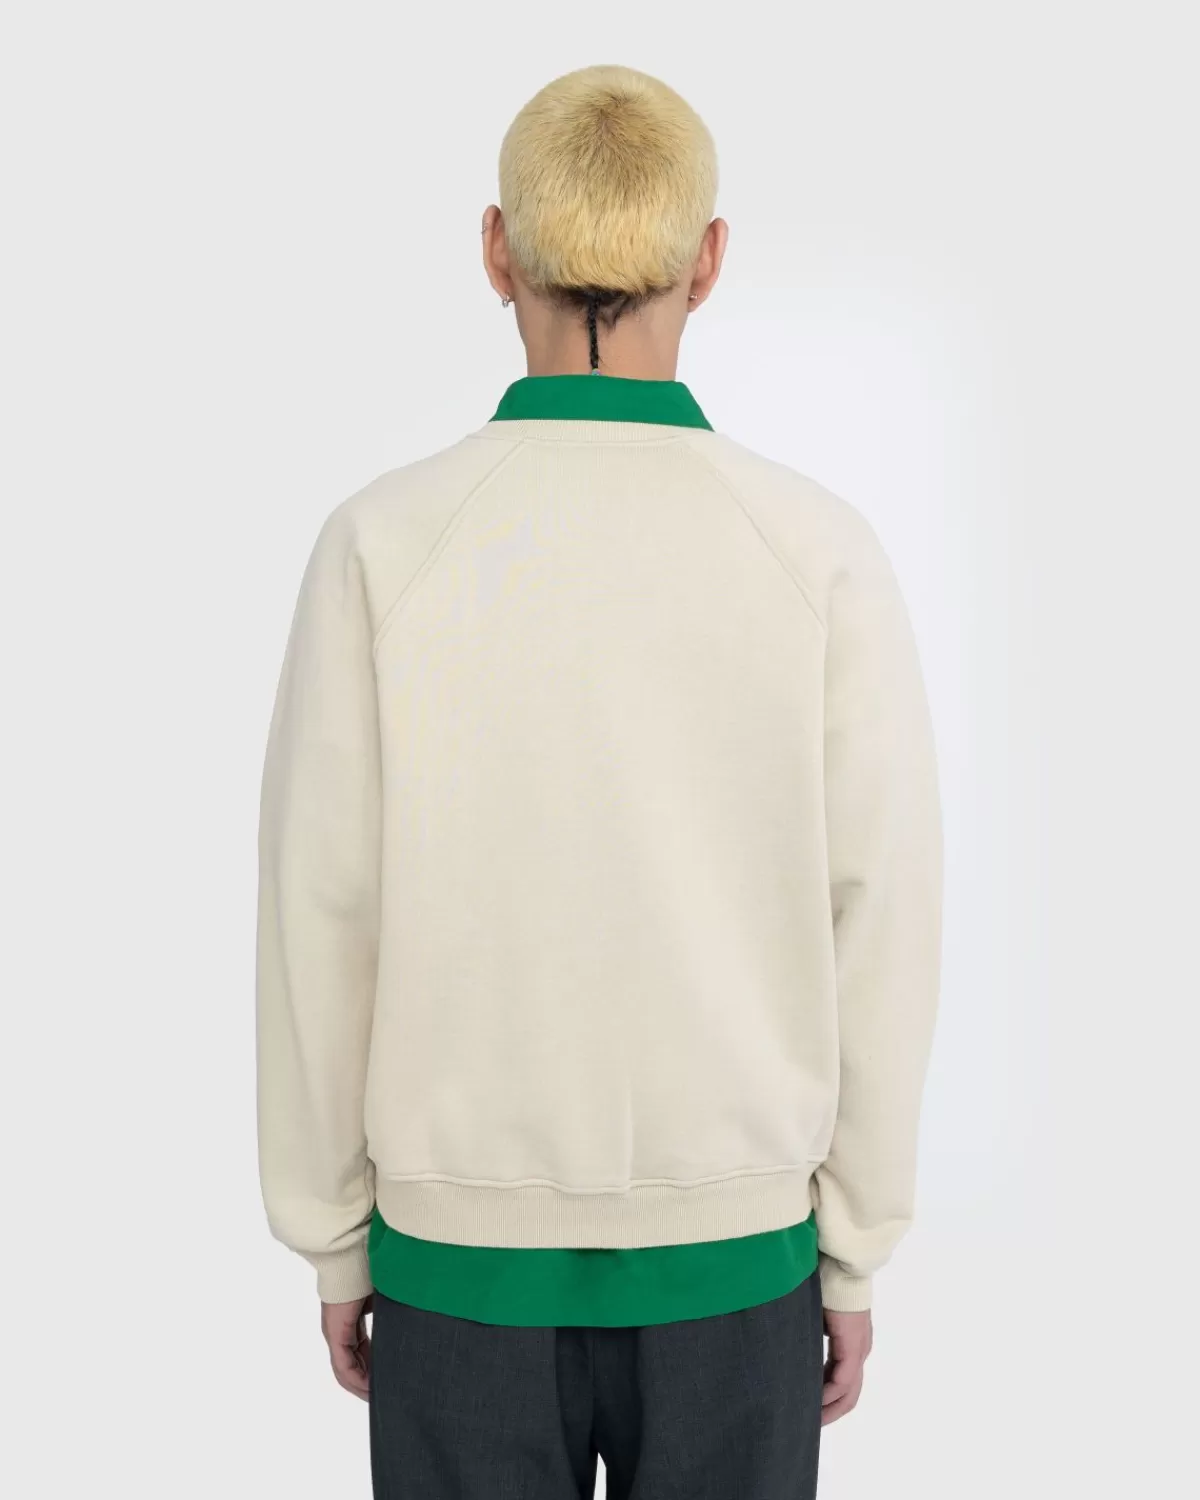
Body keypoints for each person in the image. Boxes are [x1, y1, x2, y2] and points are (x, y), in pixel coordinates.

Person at [256, 63, 942, 1500]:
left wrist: (332, 1232)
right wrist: (854, 1245)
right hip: (739, 1267)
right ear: (709, 258)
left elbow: (322, 908)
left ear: (496, 250)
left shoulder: (382, 545)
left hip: (455, 1271)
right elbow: (883, 913)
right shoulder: (816, 553)